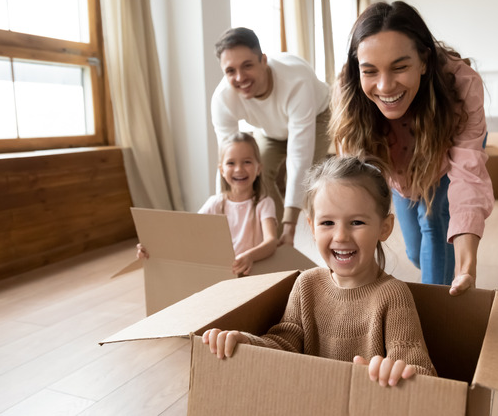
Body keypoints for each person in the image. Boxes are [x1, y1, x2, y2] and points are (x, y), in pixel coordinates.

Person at [202, 156, 437, 387]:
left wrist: (396, 373)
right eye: (327, 223)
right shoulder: (306, 285)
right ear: (312, 227)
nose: (341, 236)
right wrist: (248, 343)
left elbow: (423, 372)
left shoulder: (393, 296)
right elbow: (285, 344)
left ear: (384, 228)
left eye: (356, 222)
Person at [329, 1, 494, 296]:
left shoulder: (462, 85)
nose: (385, 86)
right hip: (398, 169)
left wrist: (466, 266)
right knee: (416, 253)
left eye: (400, 67)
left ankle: (436, 313)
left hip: (446, 157)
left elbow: (468, 179)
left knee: (433, 224)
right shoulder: (349, 89)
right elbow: (350, 180)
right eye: (370, 71)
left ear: (424, 61)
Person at [211, 27, 331, 247]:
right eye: (230, 71)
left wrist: (290, 226)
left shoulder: (296, 81)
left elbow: (299, 156)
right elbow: (227, 162)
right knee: (256, 171)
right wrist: (222, 220)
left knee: (306, 182)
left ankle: (299, 236)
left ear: (263, 60)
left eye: (247, 65)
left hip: (317, 116)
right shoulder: (222, 100)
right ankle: (272, 241)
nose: (240, 77)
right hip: (270, 129)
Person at [137, 132, 277, 276]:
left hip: (252, 275)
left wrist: (249, 257)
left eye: (247, 162)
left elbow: (271, 241)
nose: (238, 169)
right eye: (231, 163)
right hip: (220, 274)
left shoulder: (264, 203)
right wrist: (153, 247)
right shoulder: (215, 203)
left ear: (258, 168)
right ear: (222, 170)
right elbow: (187, 232)